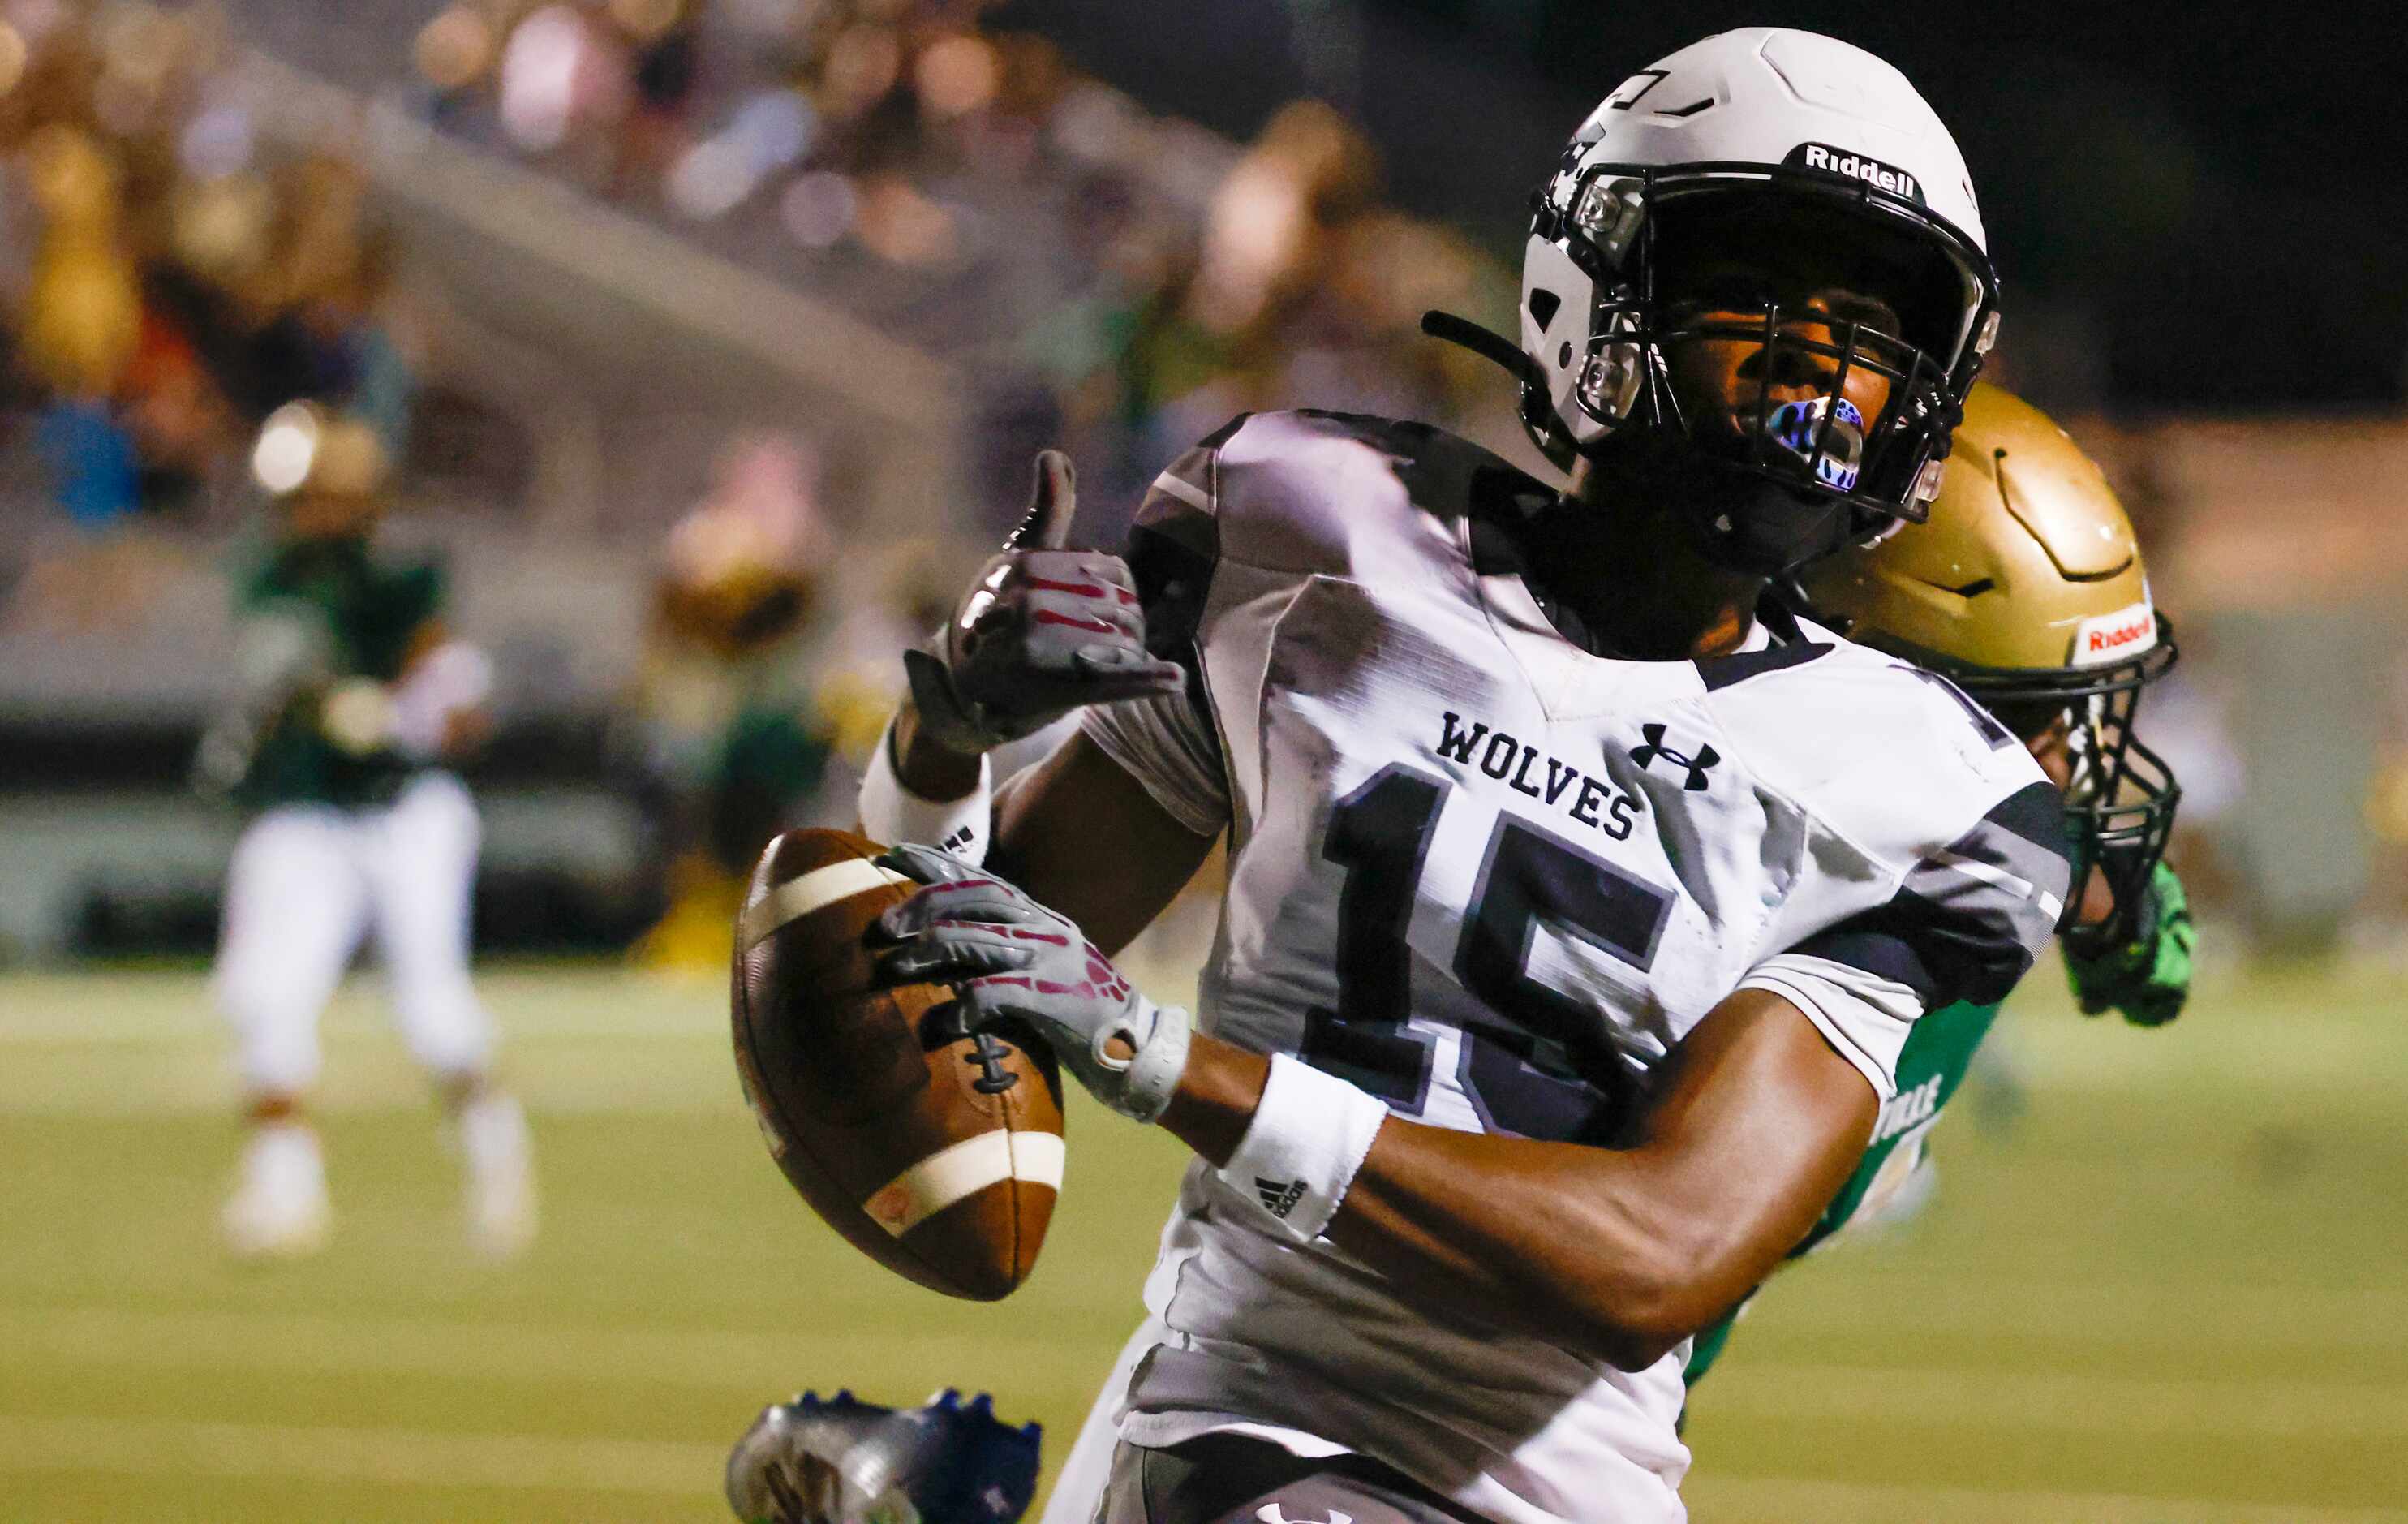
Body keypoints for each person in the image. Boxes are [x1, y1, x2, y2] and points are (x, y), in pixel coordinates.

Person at [861, 28, 2049, 1524]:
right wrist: (944, 743)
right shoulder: (1305, 521)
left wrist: (1154, 1057)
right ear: (1601, 285)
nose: (1821, 358)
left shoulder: (1929, 789)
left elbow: (1655, 1256)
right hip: (1231, 1427)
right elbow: (937, 1002)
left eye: (1874, 325)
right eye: (1764, 289)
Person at [1676, 380, 2192, 1388]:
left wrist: (2099, 907)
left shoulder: (1967, 859)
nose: (2061, 774)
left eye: (2077, 720)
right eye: (2026, 722)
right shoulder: (1709, 908)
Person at [199, 403, 535, 1261]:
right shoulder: (267, 574)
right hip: (303, 810)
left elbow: (459, 708)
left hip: (402, 809)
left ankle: (496, 1153)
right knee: (266, 997)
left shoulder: (402, 575)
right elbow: (280, 684)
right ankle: (285, 1189)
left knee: (431, 1009)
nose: (304, 514)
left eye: (318, 495)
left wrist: (399, 716)